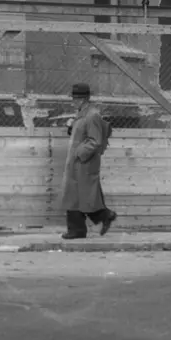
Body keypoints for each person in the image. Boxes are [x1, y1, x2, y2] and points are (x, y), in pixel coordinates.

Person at [60, 83, 117, 240]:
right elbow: (82, 134)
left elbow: (95, 140)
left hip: (83, 163)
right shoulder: (83, 114)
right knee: (78, 197)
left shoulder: (92, 115)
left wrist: (79, 153)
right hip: (78, 163)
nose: (73, 101)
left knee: (79, 197)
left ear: (82, 99)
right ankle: (99, 218)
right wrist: (71, 128)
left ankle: (79, 228)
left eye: (75, 98)